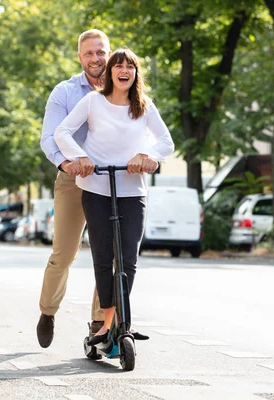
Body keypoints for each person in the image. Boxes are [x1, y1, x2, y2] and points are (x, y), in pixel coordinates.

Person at [54, 48, 175, 345]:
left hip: (132, 191)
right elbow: (62, 133)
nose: (124, 71)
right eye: (118, 66)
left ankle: (112, 325)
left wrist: (148, 155)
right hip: (97, 189)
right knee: (103, 258)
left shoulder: (144, 106)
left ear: (135, 73)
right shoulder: (94, 101)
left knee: (128, 260)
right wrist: (80, 158)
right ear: (109, 72)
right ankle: (108, 324)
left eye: (130, 66)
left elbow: (166, 141)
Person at [37, 29, 111, 348]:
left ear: (109, 53)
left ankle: (100, 323)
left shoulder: (123, 86)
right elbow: (49, 137)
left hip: (111, 179)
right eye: (89, 53)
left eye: (101, 52)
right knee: (64, 254)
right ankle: (48, 311)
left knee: (108, 255)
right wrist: (65, 163)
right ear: (79, 57)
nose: (96, 58)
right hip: (74, 178)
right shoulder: (65, 92)